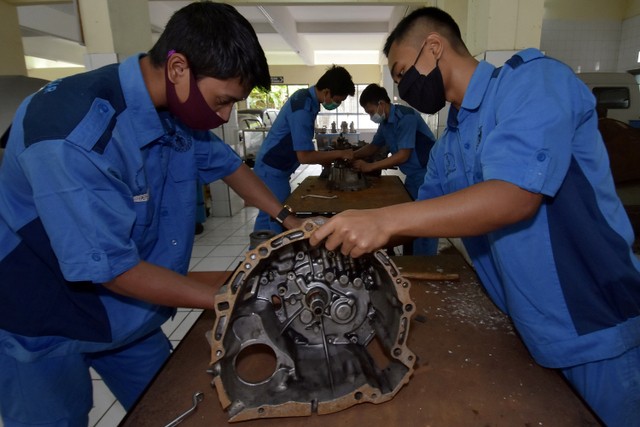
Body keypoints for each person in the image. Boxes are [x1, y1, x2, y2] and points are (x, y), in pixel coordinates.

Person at [310, 7, 640, 427]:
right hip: (526, 324)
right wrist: (334, 236)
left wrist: (383, 221)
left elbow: (514, 197)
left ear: (434, 48)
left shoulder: (533, 82)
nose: (402, 86)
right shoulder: (454, 139)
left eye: (401, 71)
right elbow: (420, 213)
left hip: (594, 322)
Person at [0, 3, 304, 426]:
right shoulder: (71, 134)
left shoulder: (173, 112)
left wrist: (289, 218)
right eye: (223, 101)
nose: (225, 116)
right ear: (177, 68)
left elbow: (228, 166)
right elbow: (113, 269)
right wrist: (234, 299)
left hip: (129, 315)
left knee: (175, 408)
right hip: (42, 322)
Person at [252, 65, 356, 233]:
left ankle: (257, 255)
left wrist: (329, 156)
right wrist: (340, 153)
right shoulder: (303, 107)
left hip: (275, 167)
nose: (337, 104)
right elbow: (305, 157)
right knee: (277, 219)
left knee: (268, 215)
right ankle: (266, 256)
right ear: (327, 92)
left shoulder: (308, 101)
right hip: (271, 169)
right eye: (338, 100)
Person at [353, 83, 438, 255]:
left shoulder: (405, 117)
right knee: (410, 219)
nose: (371, 116)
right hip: (413, 175)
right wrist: (351, 155)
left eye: (371, 112)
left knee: (426, 223)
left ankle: (425, 263)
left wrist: (370, 166)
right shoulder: (385, 123)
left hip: (428, 174)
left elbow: (403, 155)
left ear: (381, 104)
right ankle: (409, 257)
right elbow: (373, 147)